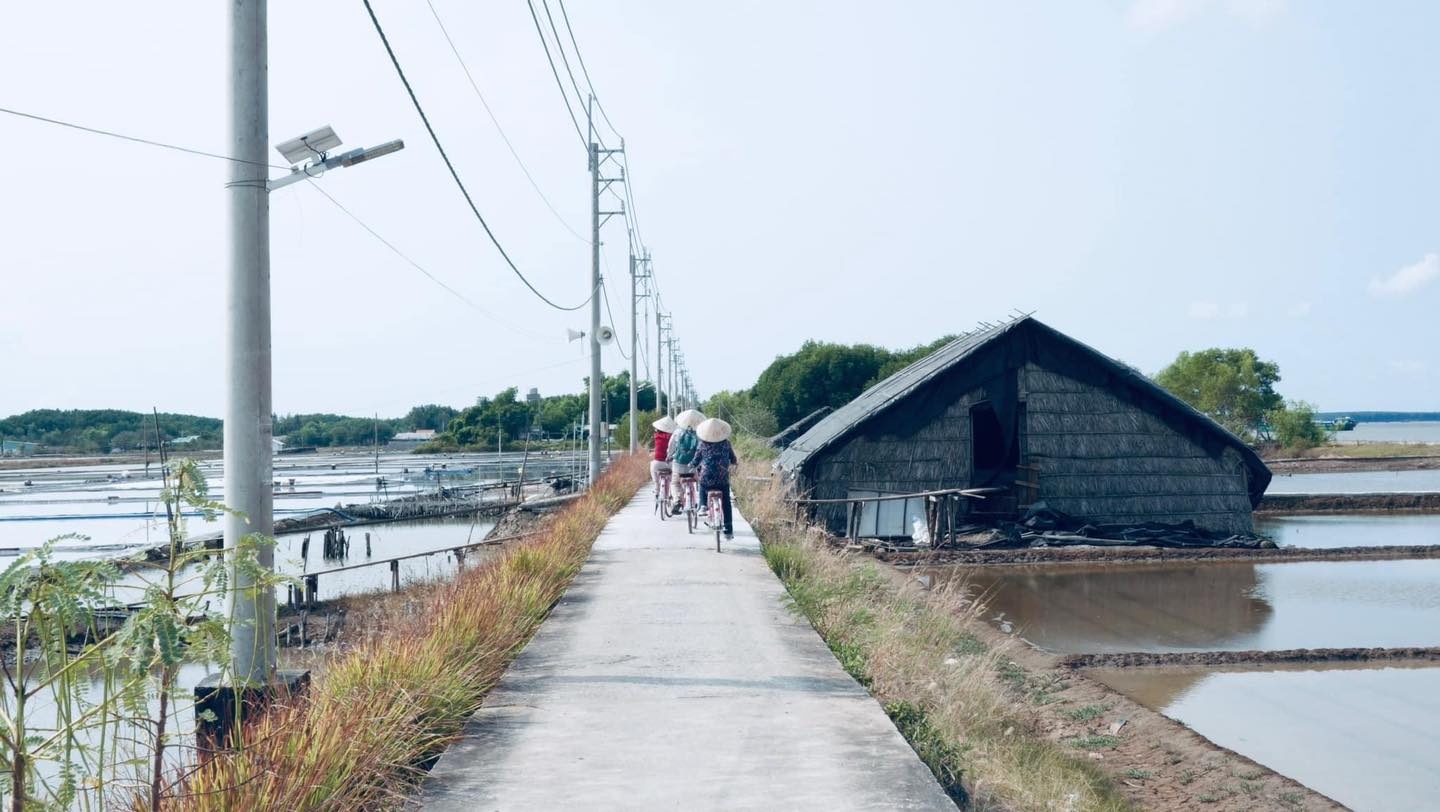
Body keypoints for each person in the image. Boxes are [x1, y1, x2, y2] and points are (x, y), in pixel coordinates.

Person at [695, 417, 738, 539]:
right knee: (726, 503)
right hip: (722, 478)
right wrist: (734, 463)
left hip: (707, 478)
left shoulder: (702, 444)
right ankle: (728, 530)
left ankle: (703, 505)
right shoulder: (726, 443)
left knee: (702, 484)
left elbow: (696, 459)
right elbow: (733, 459)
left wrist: (691, 465)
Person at [667, 409, 705, 512]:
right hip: (693, 465)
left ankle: (677, 501)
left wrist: (669, 455)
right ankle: (702, 503)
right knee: (702, 483)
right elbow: (702, 448)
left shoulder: (678, 432)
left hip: (678, 463)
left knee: (675, 483)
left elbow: (671, 446)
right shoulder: (699, 433)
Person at [651, 415, 677, 499]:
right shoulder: (672, 437)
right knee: (672, 478)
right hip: (669, 463)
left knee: (652, 468)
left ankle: (657, 488)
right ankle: (671, 493)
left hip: (657, 463)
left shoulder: (657, 436)